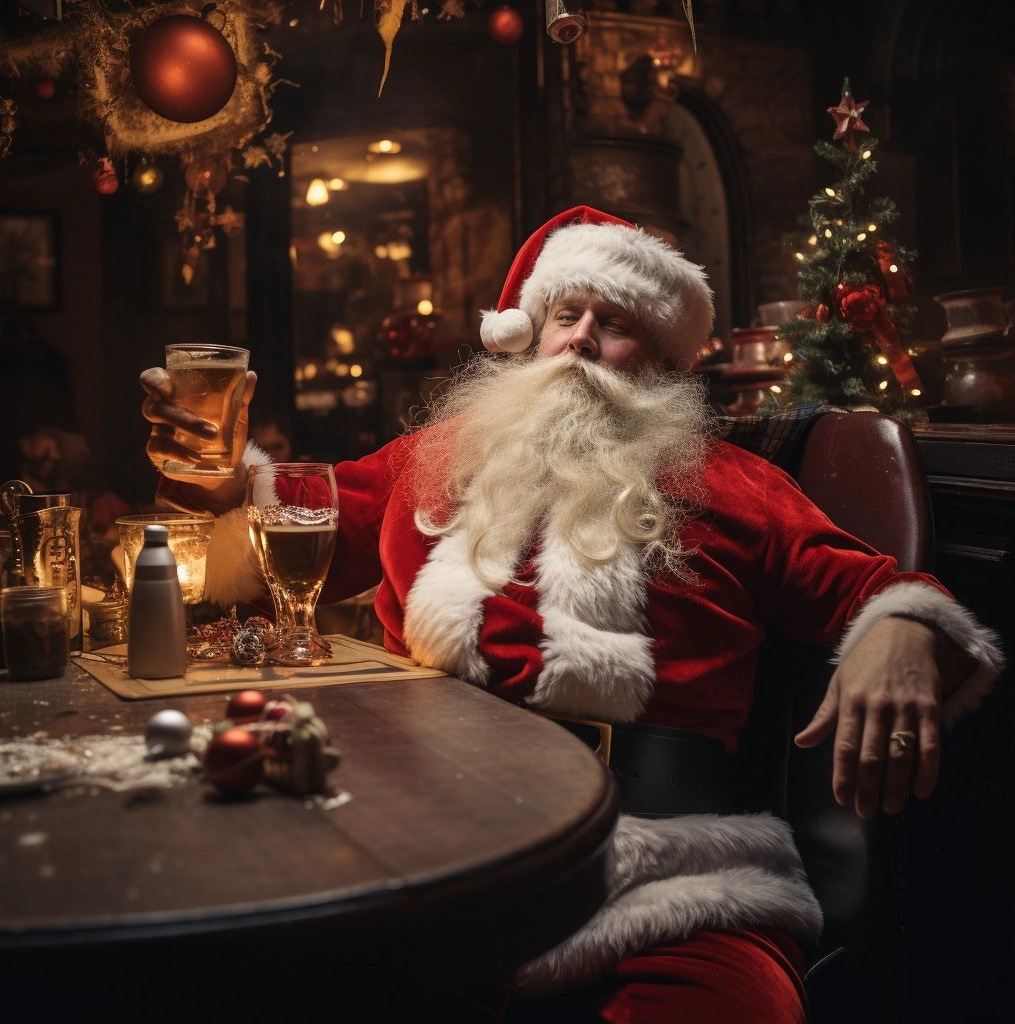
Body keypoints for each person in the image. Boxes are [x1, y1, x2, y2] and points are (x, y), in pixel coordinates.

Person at [140, 207, 1003, 1022]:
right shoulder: (432, 460)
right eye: (564, 313)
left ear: (664, 364)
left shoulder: (734, 487)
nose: (581, 337)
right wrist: (219, 474)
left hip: (666, 873)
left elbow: (874, 586)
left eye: (615, 322)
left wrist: (903, 627)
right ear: (531, 335)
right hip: (432, 854)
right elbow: (289, 531)